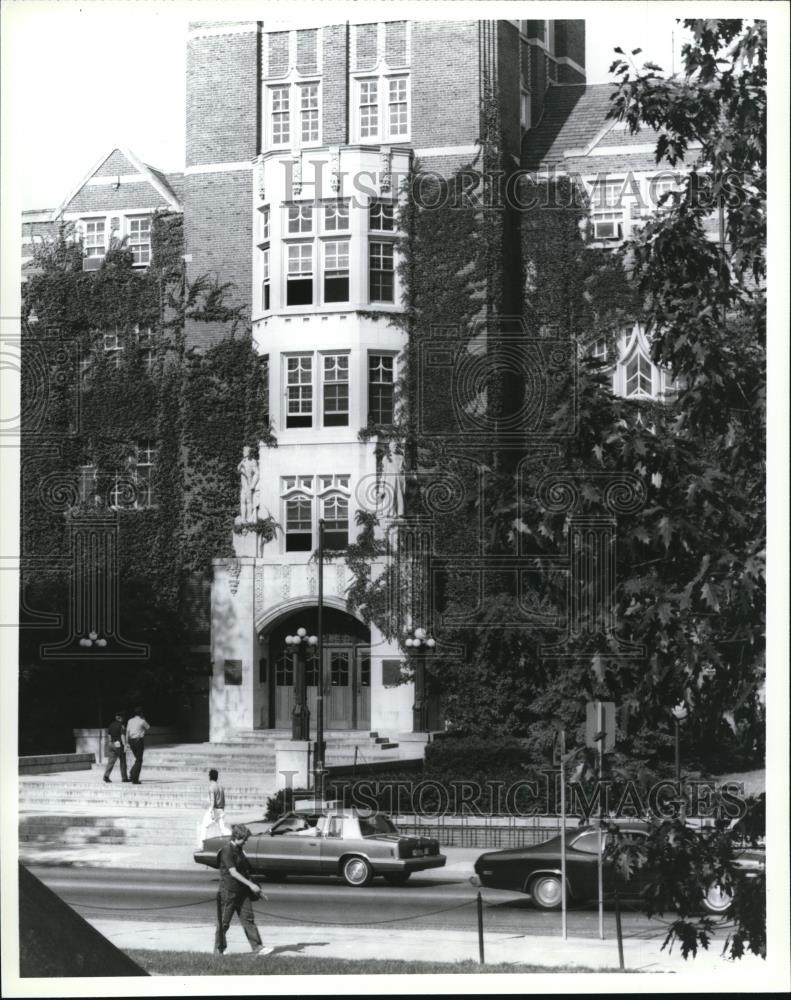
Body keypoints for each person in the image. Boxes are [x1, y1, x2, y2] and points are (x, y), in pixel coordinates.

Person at [214, 824, 273, 957]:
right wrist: (251, 885)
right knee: (224, 923)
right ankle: (219, 950)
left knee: (248, 919)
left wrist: (257, 889)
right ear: (236, 837)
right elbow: (233, 872)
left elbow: (245, 872)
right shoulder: (226, 850)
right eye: (244, 839)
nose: (246, 842)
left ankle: (257, 947)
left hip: (242, 892)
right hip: (228, 891)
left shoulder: (239, 850)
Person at [197, 768, 231, 846]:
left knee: (204, 827)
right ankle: (232, 839)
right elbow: (223, 801)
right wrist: (221, 810)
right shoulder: (221, 787)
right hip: (221, 810)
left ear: (210, 777)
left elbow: (212, 802)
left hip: (214, 809)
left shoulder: (211, 787)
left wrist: (211, 812)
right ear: (217, 777)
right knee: (223, 829)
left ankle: (202, 845)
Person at [103, 712, 129, 783]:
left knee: (111, 762)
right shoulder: (122, 725)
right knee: (123, 761)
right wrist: (125, 745)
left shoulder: (111, 725)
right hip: (118, 744)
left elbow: (109, 736)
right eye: (123, 717)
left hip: (111, 744)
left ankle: (106, 776)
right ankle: (124, 778)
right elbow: (122, 736)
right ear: (120, 718)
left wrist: (111, 743)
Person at [126, 706, 150, 784]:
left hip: (131, 741)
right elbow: (148, 727)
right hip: (138, 741)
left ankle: (132, 772)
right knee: (139, 760)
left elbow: (127, 732)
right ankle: (135, 778)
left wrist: (126, 743)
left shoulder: (130, 721)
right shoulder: (142, 721)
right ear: (141, 713)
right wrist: (144, 719)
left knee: (137, 759)